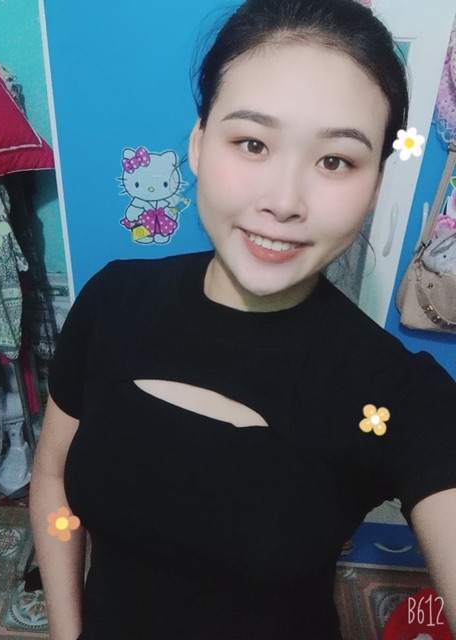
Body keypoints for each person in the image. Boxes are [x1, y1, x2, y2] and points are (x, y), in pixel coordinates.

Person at [29, 0, 456, 638]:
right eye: (252, 143)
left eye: (336, 160)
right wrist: (68, 632)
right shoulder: (114, 300)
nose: (283, 202)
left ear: (373, 185)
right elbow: (53, 479)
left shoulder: (398, 396)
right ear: (199, 144)